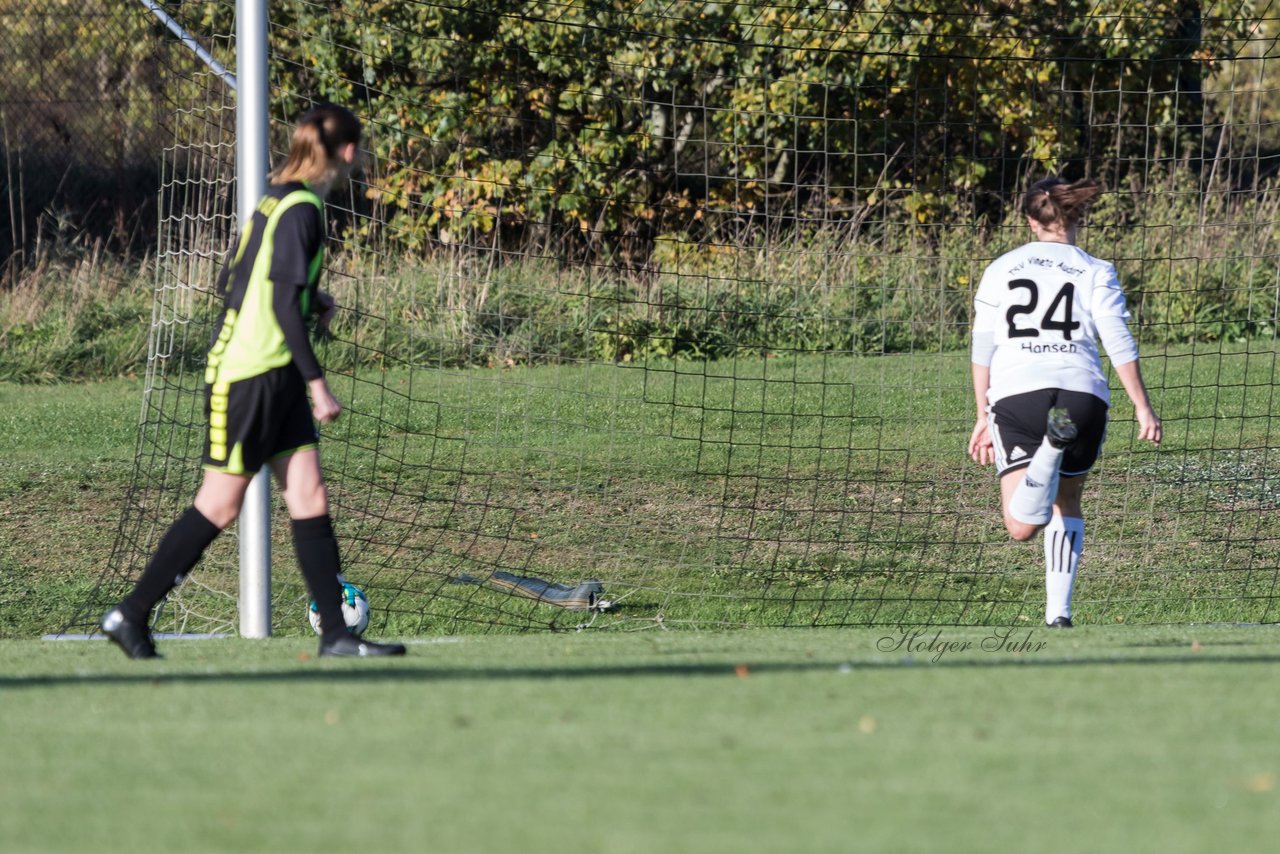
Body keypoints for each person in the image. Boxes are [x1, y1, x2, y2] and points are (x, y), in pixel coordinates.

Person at [101, 104, 406, 658]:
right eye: (358, 149)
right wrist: (317, 384)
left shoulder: (274, 198)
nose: (359, 158)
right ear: (345, 151)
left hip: (274, 371)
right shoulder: (301, 208)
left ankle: (336, 636)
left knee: (309, 495)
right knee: (219, 504)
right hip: (247, 376)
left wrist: (316, 299)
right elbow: (280, 304)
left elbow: (238, 279)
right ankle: (130, 614)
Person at [967, 176, 1162, 627]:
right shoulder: (1096, 268)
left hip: (1018, 392)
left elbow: (982, 347)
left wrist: (982, 413)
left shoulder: (1001, 268)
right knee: (1067, 501)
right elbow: (1117, 339)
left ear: (1031, 220)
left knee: (1020, 527)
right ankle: (1059, 615)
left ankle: (1049, 450)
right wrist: (1141, 406)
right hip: (1082, 394)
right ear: (1076, 217)